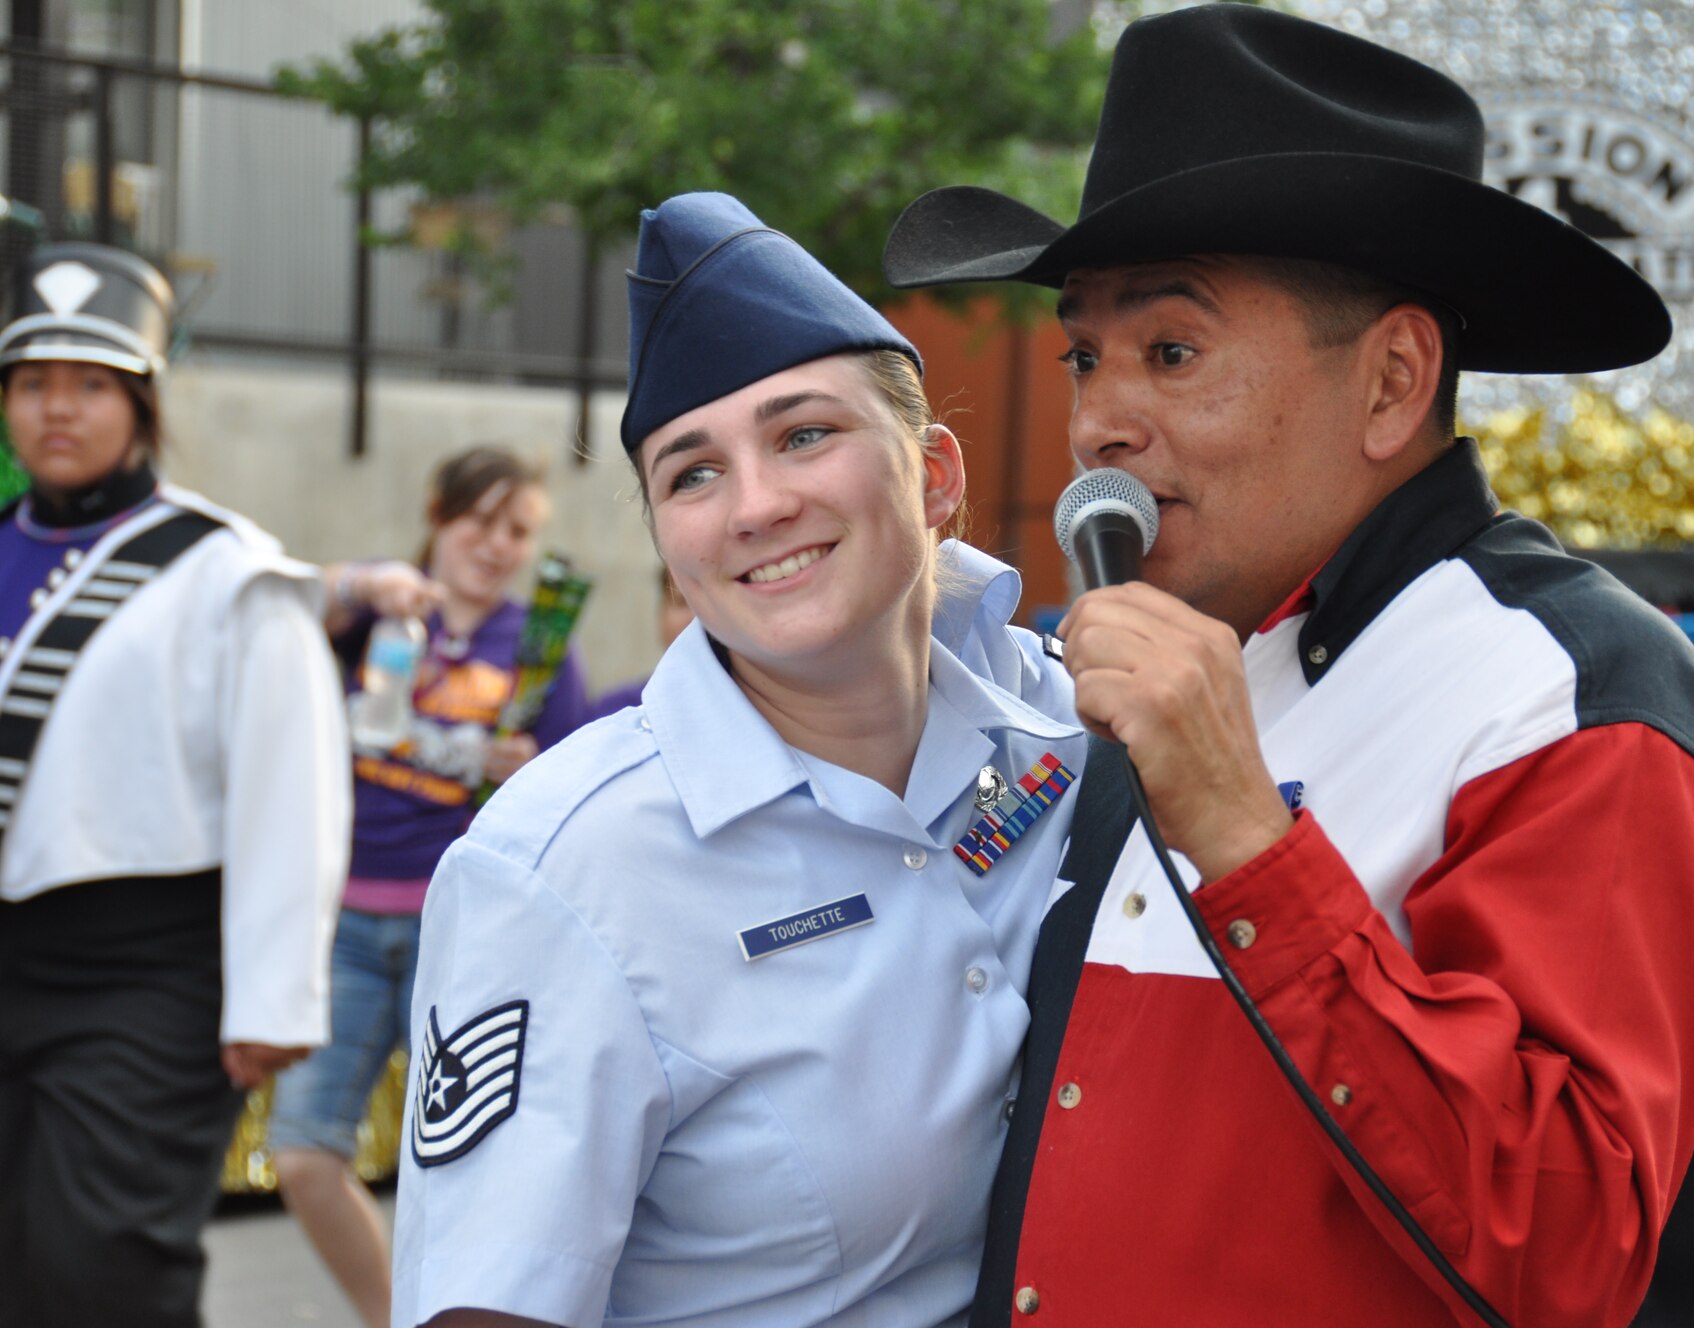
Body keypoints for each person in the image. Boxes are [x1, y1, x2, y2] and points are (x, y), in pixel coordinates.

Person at [883, 8, 1694, 1325]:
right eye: (1085, 354)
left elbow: (1565, 1248)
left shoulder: (1575, 700)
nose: (1097, 421)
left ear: (1391, 383)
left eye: (1172, 352)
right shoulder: (1199, 649)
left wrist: (1252, 846)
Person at [390, 192, 1084, 1328]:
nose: (755, 504)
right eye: (691, 472)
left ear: (934, 475)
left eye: (803, 433)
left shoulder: (1059, 724)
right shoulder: (562, 869)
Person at [0, 242, 349, 1326]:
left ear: (143, 402)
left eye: (92, 383)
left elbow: (293, 789)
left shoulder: (228, 569)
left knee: (100, 1261)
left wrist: (272, 993)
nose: (58, 409)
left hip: (150, 967)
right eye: (32, 381)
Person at [269, 445, 591, 1328]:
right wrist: (369, 583)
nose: (496, 544)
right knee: (302, 1155)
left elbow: (573, 800)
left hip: (462, 936)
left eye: (517, 530)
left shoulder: (540, 652)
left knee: (464, 1164)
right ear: (438, 514)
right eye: (480, 520)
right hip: (342, 926)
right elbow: (263, 609)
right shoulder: (372, 614)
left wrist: (523, 771)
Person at [586, 566, 694, 721]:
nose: (697, 619)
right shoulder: (614, 713)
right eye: (683, 602)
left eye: (711, 604)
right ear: (660, 614)